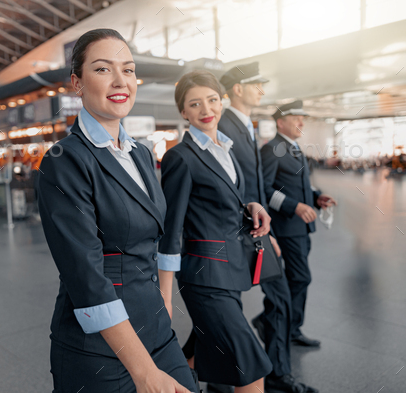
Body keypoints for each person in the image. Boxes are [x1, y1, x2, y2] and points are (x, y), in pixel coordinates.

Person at [36, 28, 195, 393]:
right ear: (77, 83)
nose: (121, 80)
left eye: (128, 69)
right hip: (99, 349)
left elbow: (160, 235)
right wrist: (143, 372)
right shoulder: (64, 161)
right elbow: (84, 276)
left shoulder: (140, 154)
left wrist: (165, 303)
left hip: (156, 329)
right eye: (103, 69)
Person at [158, 69, 273, 393]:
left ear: (222, 101)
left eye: (211, 100)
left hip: (230, 271)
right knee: (250, 366)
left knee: (200, 352)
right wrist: (164, 296)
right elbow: (171, 230)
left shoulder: (226, 148)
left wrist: (250, 204)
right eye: (195, 104)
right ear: (184, 112)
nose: (206, 109)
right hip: (204, 278)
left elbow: (226, 196)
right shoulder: (180, 158)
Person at [215, 63, 318, 393]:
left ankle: (265, 374)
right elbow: (231, 182)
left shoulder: (245, 126)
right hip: (244, 230)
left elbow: (255, 184)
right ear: (238, 90)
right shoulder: (225, 125)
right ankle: (271, 375)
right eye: (255, 84)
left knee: (264, 299)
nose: (261, 90)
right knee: (233, 305)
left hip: (259, 228)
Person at [260, 100, 337, 348]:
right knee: (300, 278)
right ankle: (279, 324)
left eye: (302, 118)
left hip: (300, 227)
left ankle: (281, 325)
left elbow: (299, 185)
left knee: (297, 279)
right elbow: (265, 189)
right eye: (296, 118)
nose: (301, 122)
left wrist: (316, 197)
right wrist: (295, 206)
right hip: (286, 227)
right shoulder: (272, 149)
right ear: (280, 122)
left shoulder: (293, 148)